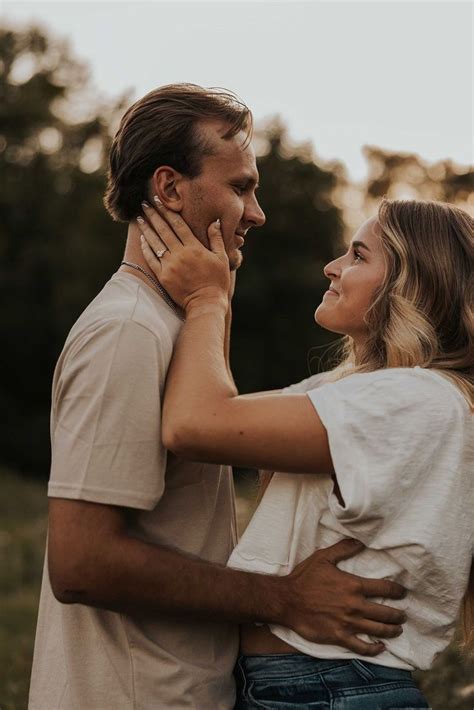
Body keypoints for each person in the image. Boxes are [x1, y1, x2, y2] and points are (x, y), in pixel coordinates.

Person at [28, 84, 406, 710]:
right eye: (240, 188)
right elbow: (81, 561)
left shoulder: (176, 325)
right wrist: (283, 598)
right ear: (170, 189)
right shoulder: (128, 330)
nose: (256, 213)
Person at [138, 196, 473, 709]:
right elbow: (210, 413)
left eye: (358, 256)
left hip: (328, 687)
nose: (333, 267)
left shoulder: (415, 400)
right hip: (312, 685)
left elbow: (194, 426)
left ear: (411, 286)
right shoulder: (364, 391)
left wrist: (208, 300)